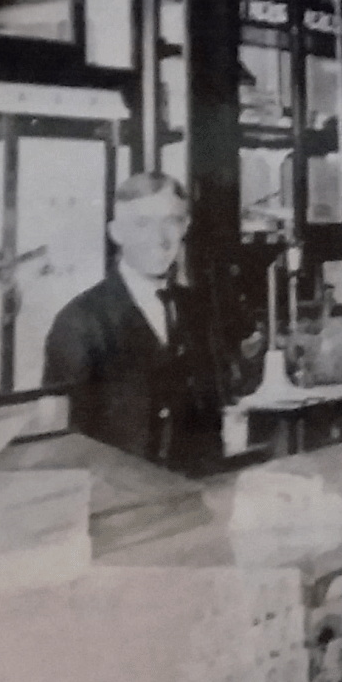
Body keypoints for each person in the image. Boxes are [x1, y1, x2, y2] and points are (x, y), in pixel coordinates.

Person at [43, 172, 230, 470]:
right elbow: (64, 441)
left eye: (171, 221)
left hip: (194, 490)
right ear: (116, 233)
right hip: (116, 494)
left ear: (186, 226)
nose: (159, 239)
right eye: (142, 224)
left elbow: (211, 420)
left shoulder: (198, 308)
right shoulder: (79, 322)